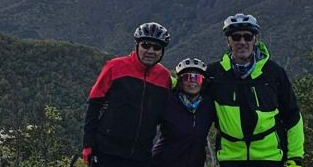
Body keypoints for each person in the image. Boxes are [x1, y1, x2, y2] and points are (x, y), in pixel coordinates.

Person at [206, 13, 304, 167]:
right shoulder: (214, 74)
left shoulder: (273, 72)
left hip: (270, 158)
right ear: (228, 41)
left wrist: (295, 158)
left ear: (255, 40)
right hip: (230, 160)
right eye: (236, 37)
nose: (242, 42)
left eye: (248, 37)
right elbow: (189, 88)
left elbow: (292, 116)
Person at [82, 22, 173, 167]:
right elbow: (94, 105)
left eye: (156, 47)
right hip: (107, 152)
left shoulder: (164, 77)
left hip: (141, 155)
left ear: (162, 51)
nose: (150, 51)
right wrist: (88, 144)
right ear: (136, 45)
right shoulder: (114, 67)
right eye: (146, 45)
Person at [151, 57, 217, 167]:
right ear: (180, 81)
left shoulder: (208, 106)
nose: (192, 81)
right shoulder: (168, 101)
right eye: (187, 77)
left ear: (203, 82)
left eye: (197, 78)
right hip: (163, 162)